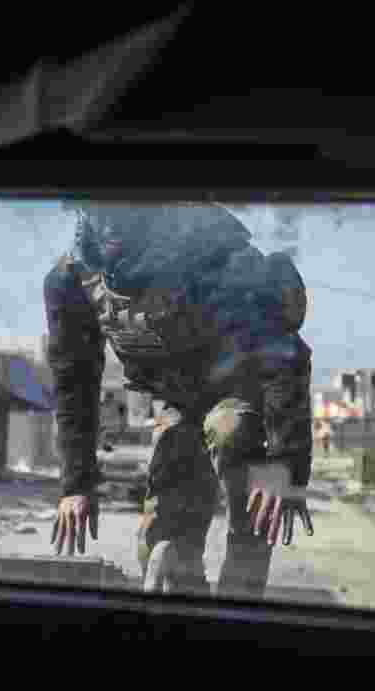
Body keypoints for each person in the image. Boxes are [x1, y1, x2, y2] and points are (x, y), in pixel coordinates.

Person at [44, 202, 315, 598]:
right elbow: (75, 385)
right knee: (159, 550)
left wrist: (285, 464)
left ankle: (242, 591)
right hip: (180, 401)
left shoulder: (204, 248)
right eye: (96, 206)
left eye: (121, 206)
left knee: (229, 429)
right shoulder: (73, 280)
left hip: (245, 389)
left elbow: (282, 351)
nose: (110, 222)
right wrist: (77, 484)